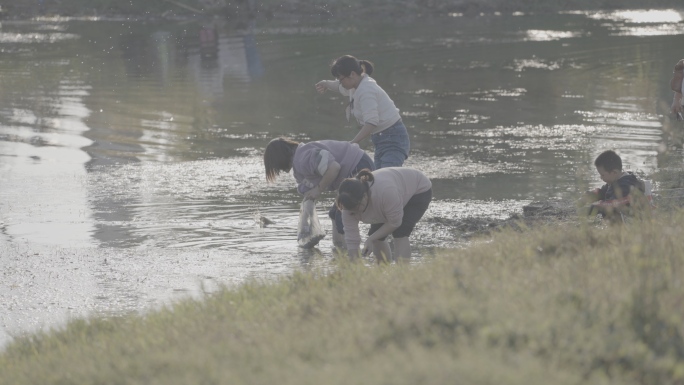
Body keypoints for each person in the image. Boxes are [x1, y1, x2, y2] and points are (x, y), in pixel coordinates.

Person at [263, 137, 375, 245]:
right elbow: (308, 196)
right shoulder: (299, 167)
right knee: (334, 214)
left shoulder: (304, 157)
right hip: (352, 171)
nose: (279, 171)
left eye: (276, 168)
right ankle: (339, 251)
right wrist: (305, 225)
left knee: (341, 216)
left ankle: (349, 252)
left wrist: (319, 189)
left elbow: (334, 167)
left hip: (358, 166)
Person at [315, 55, 410, 169]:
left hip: (393, 138)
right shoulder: (355, 85)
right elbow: (338, 86)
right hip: (380, 138)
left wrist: (353, 142)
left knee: (387, 177)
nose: (340, 83)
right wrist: (325, 83)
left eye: (340, 79)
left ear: (352, 74)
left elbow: (371, 122)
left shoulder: (366, 90)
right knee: (378, 178)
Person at [335, 167, 432, 262]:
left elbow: (395, 223)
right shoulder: (348, 207)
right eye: (352, 211)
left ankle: (402, 274)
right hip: (393, 195)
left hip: (417, 190)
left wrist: (371, 239)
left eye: (357, 208)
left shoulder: (385, 192)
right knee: (376, 236)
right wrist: (355, 268)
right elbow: (352, 239)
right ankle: (382, 271)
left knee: (400, 232)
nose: (357, 213)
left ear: (365, 196)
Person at [584, 150, 646, 219]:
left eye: (602, 175)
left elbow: (613, 204)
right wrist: (591, 195)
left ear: (614, 172)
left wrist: (594, 207)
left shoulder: (625, 186)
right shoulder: (615, 181)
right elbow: (604, 192)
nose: (601, 178)